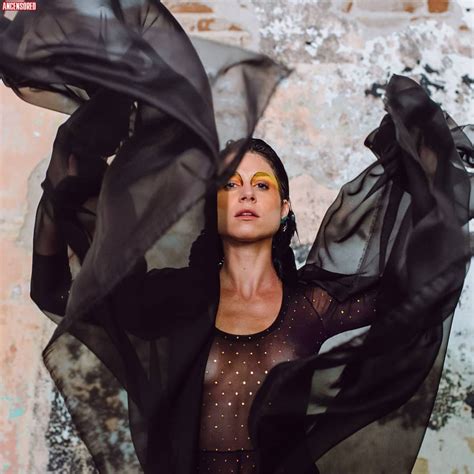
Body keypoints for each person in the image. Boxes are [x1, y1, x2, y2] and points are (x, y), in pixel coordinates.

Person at [1, 1, 473, 473]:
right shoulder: (175, 299)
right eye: (230, 184)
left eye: (261, 185)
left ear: (283, 209)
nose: (246, 193)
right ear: (213, 206)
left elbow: (413, 302)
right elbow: (59, 293)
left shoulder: (313, 305)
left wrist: (433, 179)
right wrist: (64, 185)